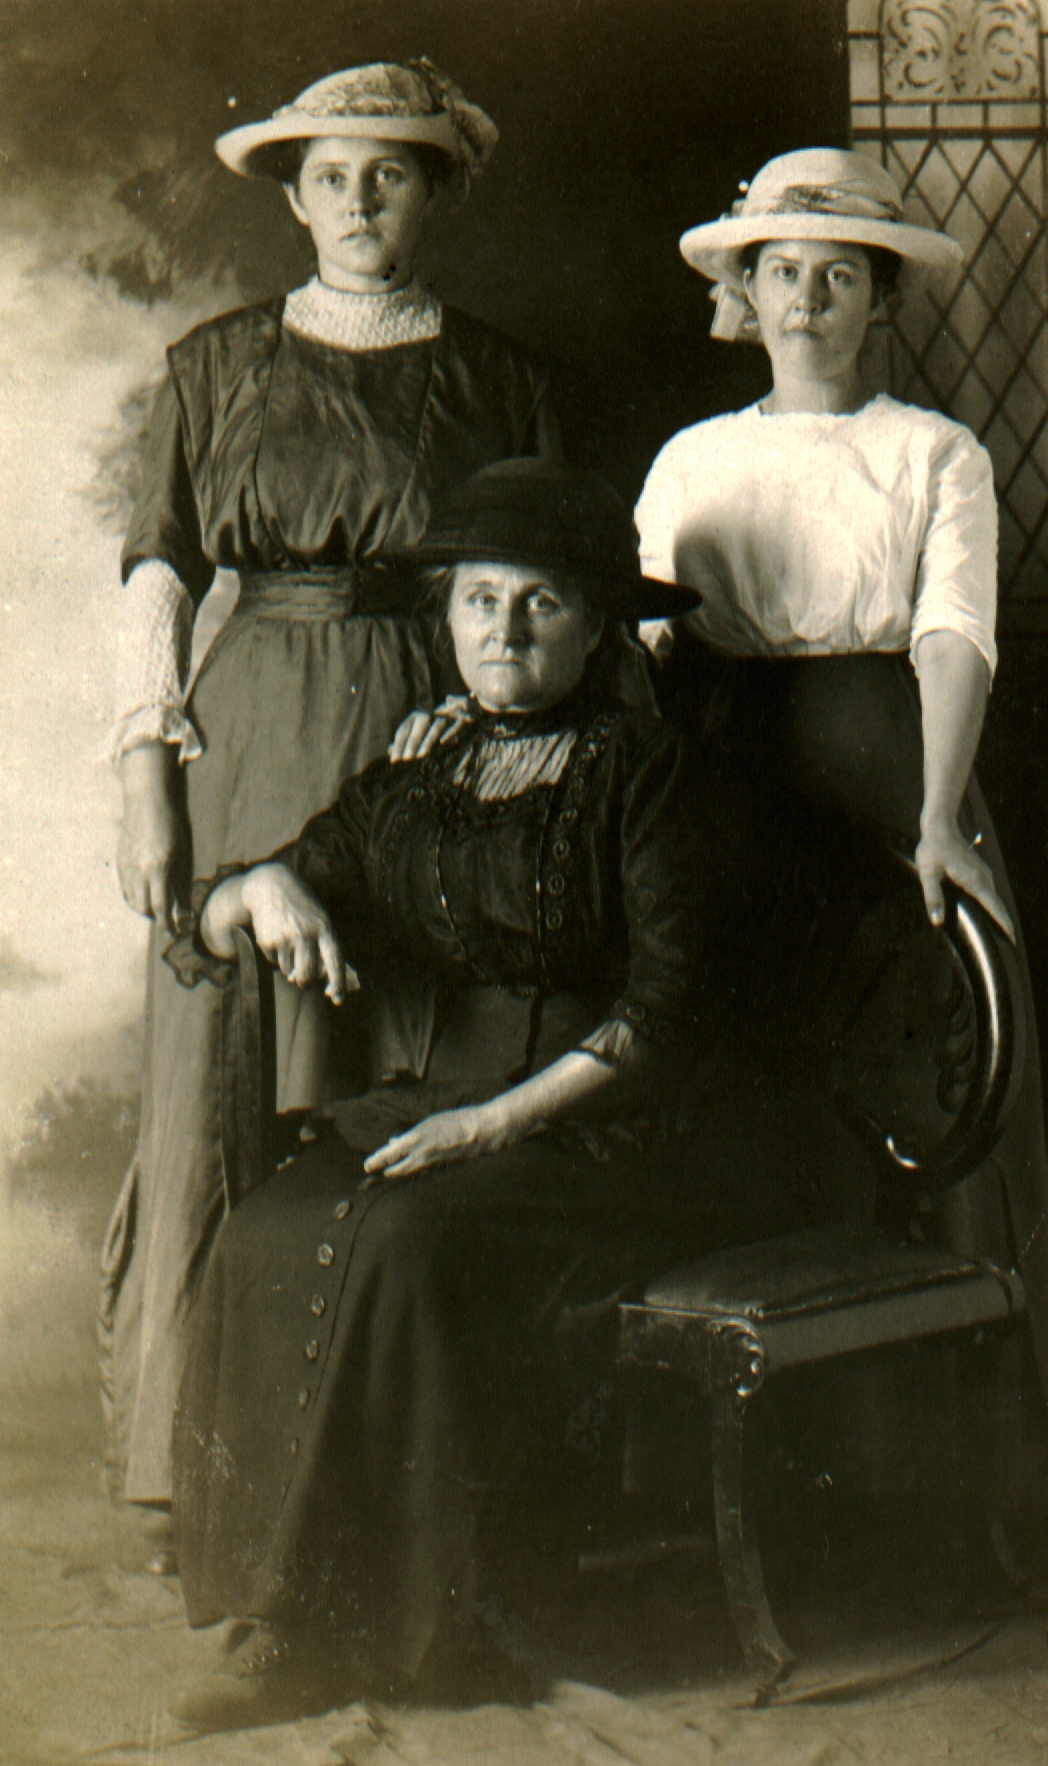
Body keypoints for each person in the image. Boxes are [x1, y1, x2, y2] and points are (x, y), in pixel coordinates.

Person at [162, 460, 754, 1728]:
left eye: (542, 602)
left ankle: (407, 1628)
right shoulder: (421, 771)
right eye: (480, 600)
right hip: (442, 1107)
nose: (506, 632)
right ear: (446, 616)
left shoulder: (647, 774)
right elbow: (231, 906)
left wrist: (493, 1121)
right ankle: (283, 1614)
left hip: (606, 1128)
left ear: (598, 623)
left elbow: (667, 1015)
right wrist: (258, 888)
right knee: (268, 1223)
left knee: (403, 1242)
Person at [100, 61, 560, 1529]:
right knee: (229, 1069)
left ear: (434, 193)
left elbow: (542, 588)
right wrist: (146, 778)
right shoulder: (214, 367)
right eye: (333, 178)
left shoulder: (498, 376)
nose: (361, 202)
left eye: (391, 175)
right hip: (253, 733)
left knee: (407, 1053)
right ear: (294, 199)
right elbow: (159, 571)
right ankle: (198, 1462)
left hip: (432, 730)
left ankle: (367, 1471)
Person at [631, 148, 1048, 1476]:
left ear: (881, 300)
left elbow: (953, 634)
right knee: (754, 1070)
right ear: (748, 290)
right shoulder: (693, 460)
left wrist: (936, 814)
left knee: (938, 1068)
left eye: (841, 276)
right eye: (785, 272)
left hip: (894, 767)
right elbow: (645, 651)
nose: (809, 299)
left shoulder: (933, 451)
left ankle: (951, 1463)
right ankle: (781, 1465)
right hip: (730, 782)